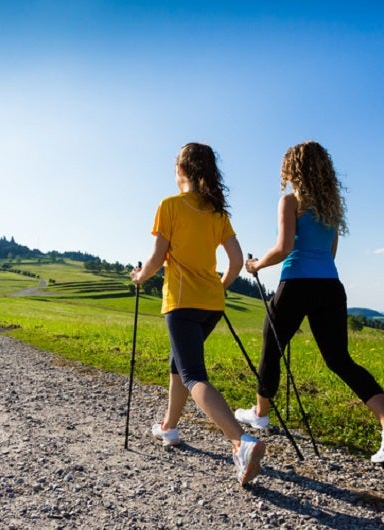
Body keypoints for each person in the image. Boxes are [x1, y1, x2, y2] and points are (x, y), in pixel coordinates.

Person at [236, 141, 384, 465]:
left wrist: (255, 266)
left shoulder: (290, 201)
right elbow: (331, 252)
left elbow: (283, 247)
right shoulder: (331, 206)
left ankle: (261, 415)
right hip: (330, 286)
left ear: (293, 169)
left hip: (295, 283)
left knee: (270, 346)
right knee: (339, 360)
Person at [131, 142, 265, 487]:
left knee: (193, 375)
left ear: (182, 170)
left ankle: (241, 442)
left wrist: (139, 276)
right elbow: (235, 262)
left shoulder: (170, 205)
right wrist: (219, 287)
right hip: (212, 304)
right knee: (178, 364)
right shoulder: (218, 213)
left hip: (181, 302)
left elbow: (158, 257)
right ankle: (169, 428)